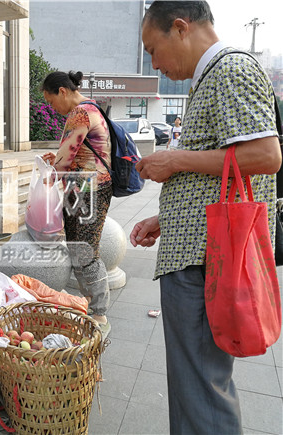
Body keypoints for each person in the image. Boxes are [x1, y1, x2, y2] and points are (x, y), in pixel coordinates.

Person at [131, 1, 281, 433]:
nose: (155, 63)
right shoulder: (210, 78)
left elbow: (266, 156)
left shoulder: (232, 69)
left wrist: (175, 160)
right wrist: (167, 218)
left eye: (153, 49)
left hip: (206, 264)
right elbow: (222, 171)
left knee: (200, 391)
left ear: (180, 28)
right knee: (194, 385)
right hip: (201, 254)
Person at [41, 70, 113, 337]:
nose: (52, 108)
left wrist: (47, 179)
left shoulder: (80, 113)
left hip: (87, 191)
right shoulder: (91, 108)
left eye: (50, 101)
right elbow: (72, 153)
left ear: (62, 91)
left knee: (85, 251)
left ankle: (99, 311)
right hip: (86, 188)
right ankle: (90, 305)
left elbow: (65, 159)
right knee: (79, 249)